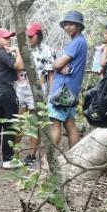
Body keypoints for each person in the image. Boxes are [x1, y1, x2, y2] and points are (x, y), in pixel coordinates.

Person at [47, 11, 88, 149]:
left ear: (79, 26)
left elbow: (58, 64)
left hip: (62, 90)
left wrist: (56, 64)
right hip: (72, 89)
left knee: (55, 124)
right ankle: (74, 158)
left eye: (71, 24)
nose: (67, 27)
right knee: (70, 124)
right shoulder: (82, 41)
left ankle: (48, 163)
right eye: (65, 24)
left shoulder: (76, 43)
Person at [17, 22, 56, 165]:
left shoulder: (47, 51)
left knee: (35, 123)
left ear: (38, 36)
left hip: (38, 90)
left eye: (31, 36)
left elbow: (51, 75)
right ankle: (15, 153)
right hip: (21, 89)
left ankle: (31, 155)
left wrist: (50, 95)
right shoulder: (23, 49)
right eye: (27, 36)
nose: (28, 39)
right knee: (18, 121)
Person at [0, 28, 23, 169]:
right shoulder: (1, 53)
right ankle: (8, 159)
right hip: (6, 91)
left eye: (9, 37)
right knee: (9, 125)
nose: (8, 40)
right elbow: (18, 66)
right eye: (5, 38)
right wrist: (18, 51)